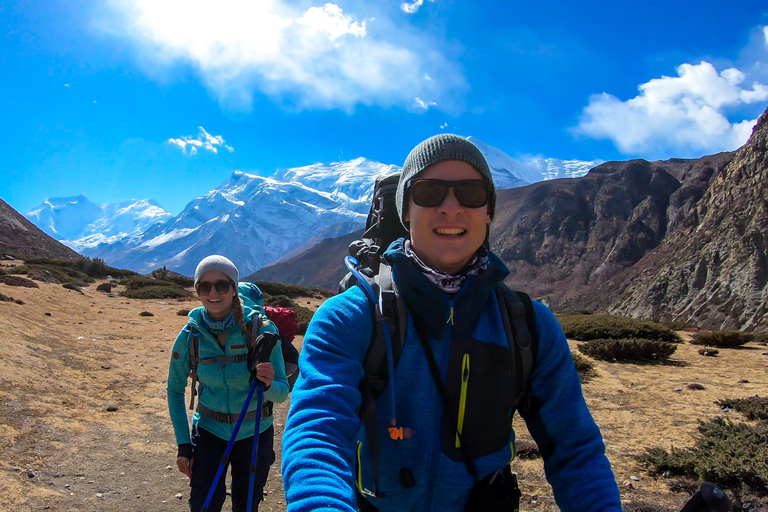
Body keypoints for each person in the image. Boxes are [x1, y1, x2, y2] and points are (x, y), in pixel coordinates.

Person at [281, 134, 622, 511]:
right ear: (405, 210)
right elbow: (317, 435)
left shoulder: (530, 325)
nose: (451, 208)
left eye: (471, 193)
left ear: (489, 211)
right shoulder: (351, 317)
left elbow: (576, 450)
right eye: (429, 192)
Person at [167, 255, 289, 512]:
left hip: (255, 433)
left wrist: (268, 385)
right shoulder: (190, 335)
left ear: (234, 288)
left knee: (246, 506)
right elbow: (175, 390)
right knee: (204, 504)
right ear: (197, 290)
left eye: (222, 285)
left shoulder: (261, 330)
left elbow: (281, 392)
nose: (213, 293)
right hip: (210, 432)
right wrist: (183, 445)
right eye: (204, 286)